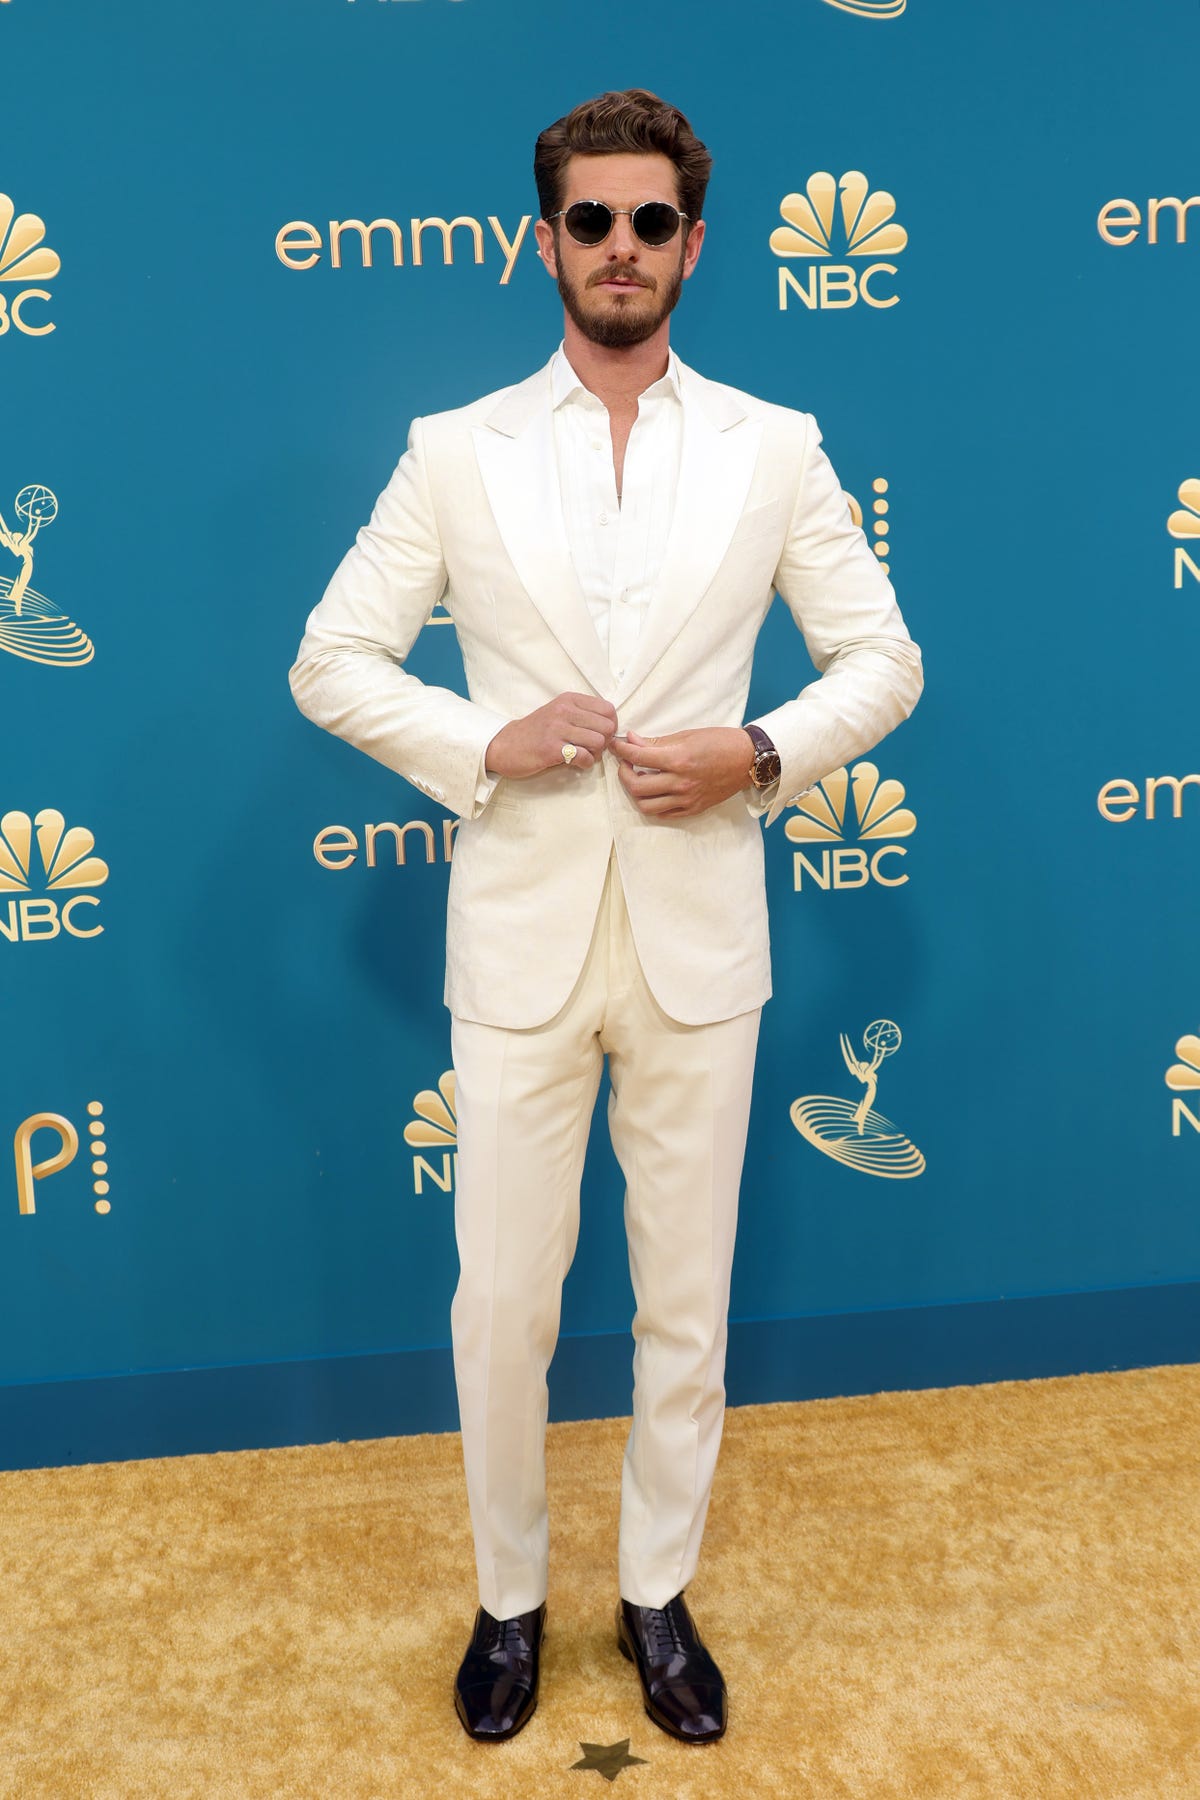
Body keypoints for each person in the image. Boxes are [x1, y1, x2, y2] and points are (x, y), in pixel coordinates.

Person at [289, 87, 922, 1748]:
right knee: (499, 1304)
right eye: (592, 220)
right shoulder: (453, 451)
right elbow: (332, 661)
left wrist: (762, 749)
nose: (622, 248)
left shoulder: (775, 447)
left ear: (695, 246)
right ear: (543, 239)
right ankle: (510, 1602)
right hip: (517, 941)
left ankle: (657, 1593)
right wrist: (475, 743)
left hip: (703, 942)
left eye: (652, 222)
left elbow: (884, 660)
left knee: (684, 1302)